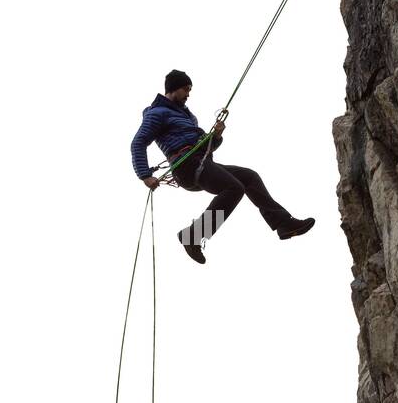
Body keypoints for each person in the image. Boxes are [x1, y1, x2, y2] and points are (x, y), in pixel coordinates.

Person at [130, 70, 315, 264]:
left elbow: (207, 147)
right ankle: (193, 236)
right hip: (186, 165)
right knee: (234, 188)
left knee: (249, 177)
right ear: (174, 89)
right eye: (186, 89)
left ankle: (283, 224)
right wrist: (144, 175)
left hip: (200, 162)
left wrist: (216, 136)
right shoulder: (157, 113)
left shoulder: (186, 116)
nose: (188, 94)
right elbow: (138, 142)